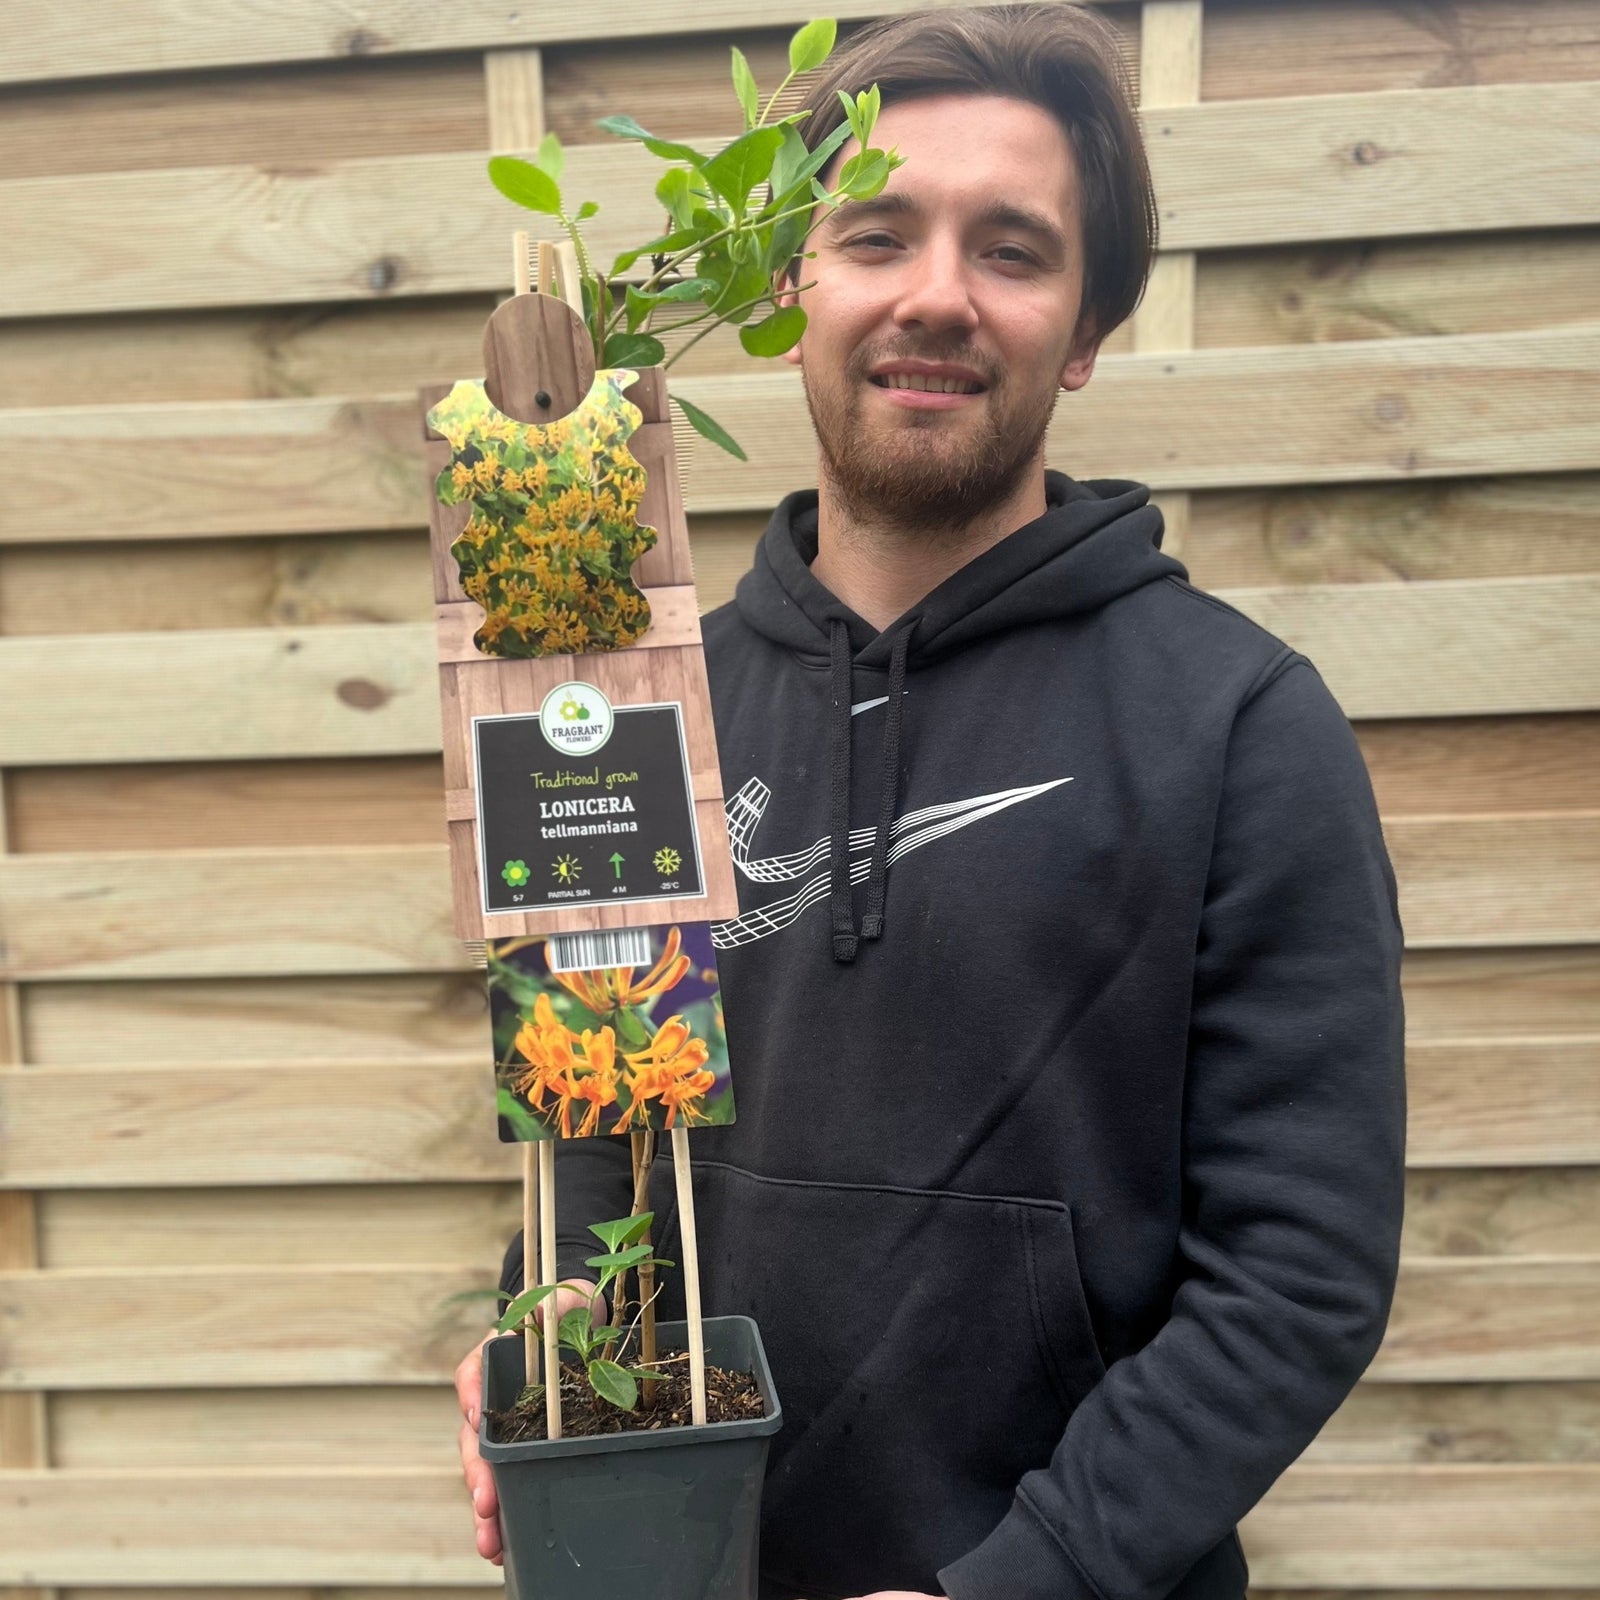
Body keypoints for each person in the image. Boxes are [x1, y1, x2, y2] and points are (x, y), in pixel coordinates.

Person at [456, 6, 1407, 1598]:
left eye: (1013, 250)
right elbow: (600, 1128)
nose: (937, 295)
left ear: (1086, 327)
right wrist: (548, 1332)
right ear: (788, 287)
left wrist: (1016, 1584)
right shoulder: (627, 708)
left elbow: (1298, 1271)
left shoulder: (1242, 725)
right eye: (878, 234)